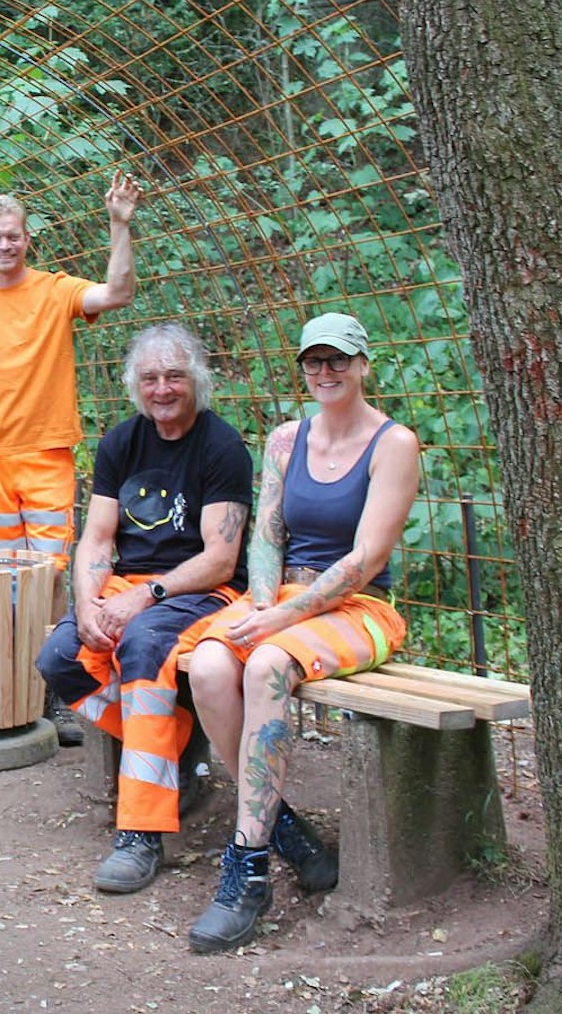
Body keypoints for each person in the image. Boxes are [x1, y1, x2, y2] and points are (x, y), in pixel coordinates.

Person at [183, 311, 421, 953]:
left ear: (363, 365)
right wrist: (263, 605)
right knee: (208, 664)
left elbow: (366, 558)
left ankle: (248, 868)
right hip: (283, 599)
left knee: (265, 665)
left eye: (338, 359)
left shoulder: (394, 443)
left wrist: (280, 622)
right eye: (314, 361)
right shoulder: (287, 439)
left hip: (359, 607)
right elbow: (266, 536)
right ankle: (283, 826)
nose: (325, 371)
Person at [34, 324, 253, 894]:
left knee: (143, 646)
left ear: (196, 380)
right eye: (150, 378)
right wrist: (87, 602)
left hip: (200, 592)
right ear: (135, 384)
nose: (162, 389)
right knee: (61, 657)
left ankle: (141, 832)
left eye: (174, 376)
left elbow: (220, 559)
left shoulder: (222, 447)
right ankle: (170, 737)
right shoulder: (121, 442)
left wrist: (145, 596)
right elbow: (97, 538)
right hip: (129, 586)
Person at [0, 172, 141, 575]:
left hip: (47, 453)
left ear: (27, 239)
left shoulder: (56, 291)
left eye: (13, 236)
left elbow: (119, 293)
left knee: (49, 572)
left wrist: (119, 223)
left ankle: (50, 622)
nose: (5, 245)